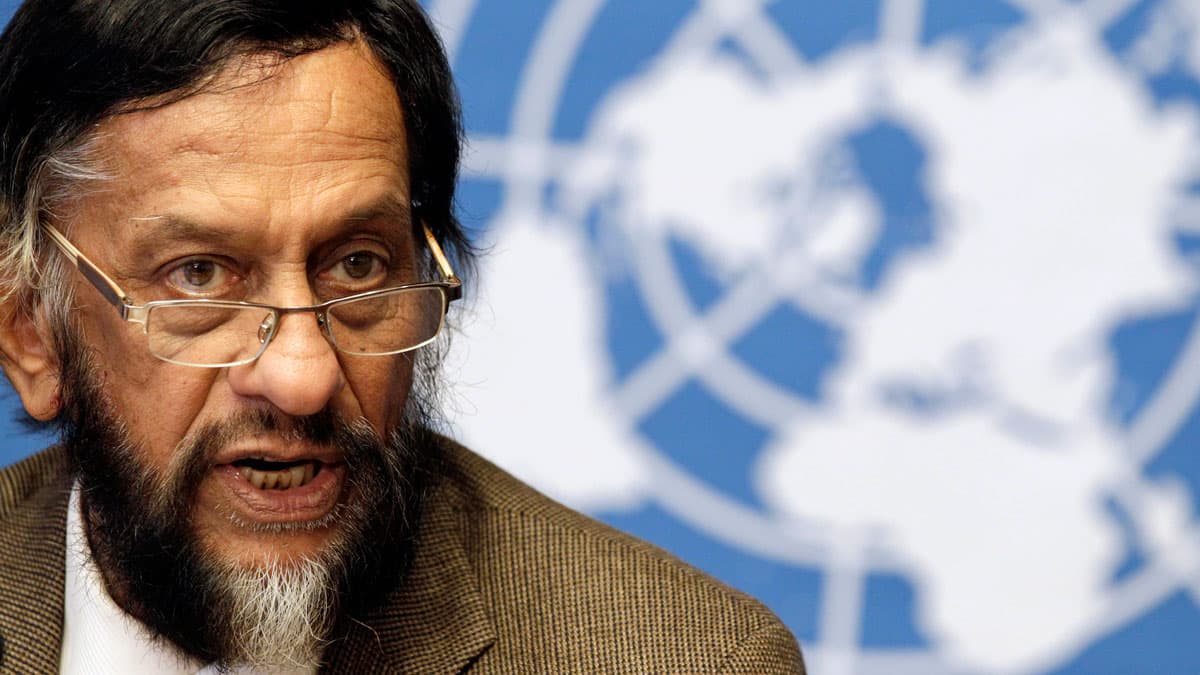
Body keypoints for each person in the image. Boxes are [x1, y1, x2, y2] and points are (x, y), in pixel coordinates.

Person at [0, 1, 804, 673]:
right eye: (201, 275)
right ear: (30, 330)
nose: (303, 376)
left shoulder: (686, 658)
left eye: (356, 264)